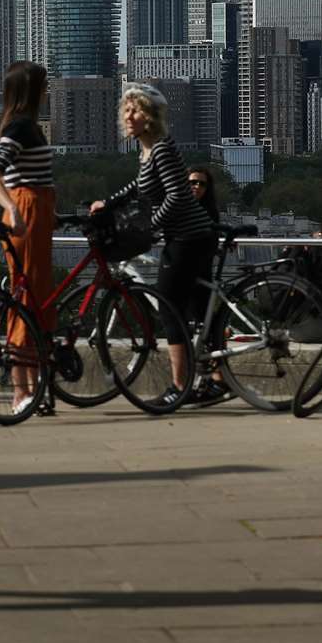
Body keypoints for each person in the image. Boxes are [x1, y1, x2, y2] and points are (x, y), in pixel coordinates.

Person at [93, 84, 221, 406]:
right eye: (126, 110)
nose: (128, 116)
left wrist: (151, 226)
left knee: (168, 307)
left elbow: (178, 195)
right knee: (194, 309)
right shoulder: (148, 150)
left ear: (150, 117)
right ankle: (213, 378)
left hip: (189, 237)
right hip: (186, 237)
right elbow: (140, 187)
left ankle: (181, 386)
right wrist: (108, 203)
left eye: (135, 110)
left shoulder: (162, 148)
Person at [0, 61, 54, 415]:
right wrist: (13, 209)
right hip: (28, 213)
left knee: (35, 298)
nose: (47, 90)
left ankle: (33, 387)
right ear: (32, 90)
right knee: (26, 297)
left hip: (39, 213)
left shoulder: (28, 127)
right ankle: (20, 391)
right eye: (43, 85)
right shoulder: (21, 127)